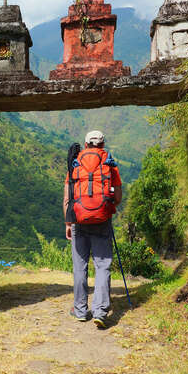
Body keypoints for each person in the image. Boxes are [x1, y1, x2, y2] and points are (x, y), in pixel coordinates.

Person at [63, 130, 122, 328]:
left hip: (78, 220)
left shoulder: (75, 162)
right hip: (102, 220)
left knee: (80, 266)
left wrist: (68, 223)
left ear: (86, 144)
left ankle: (80, 310)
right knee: (102, 265)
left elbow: (68, 196)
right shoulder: (109, 163)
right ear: (102, 145)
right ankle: (100, 312)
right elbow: (118, 197)